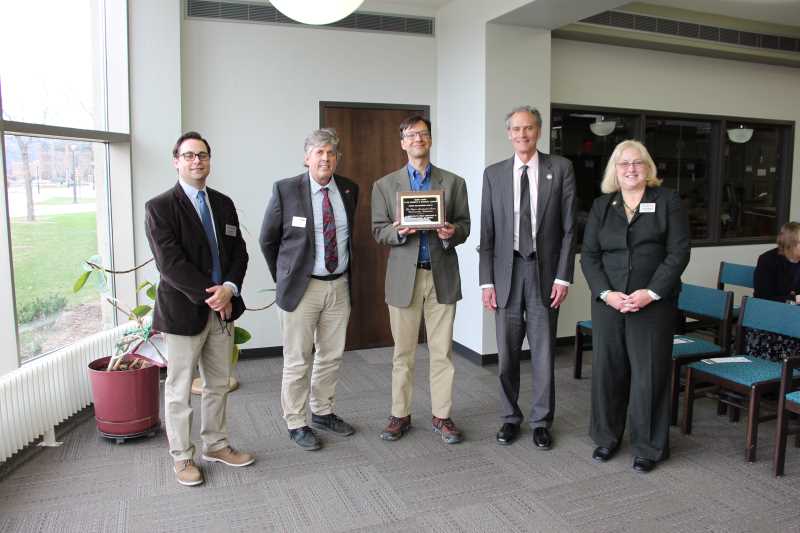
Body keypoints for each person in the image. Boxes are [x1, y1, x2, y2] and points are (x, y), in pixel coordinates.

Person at [145, 131, 254, 487]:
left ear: (209, 160)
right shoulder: (160, 207)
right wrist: (213, 294)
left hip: (222, 311)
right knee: (178, 390)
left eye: (202, 155)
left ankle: (216, 445)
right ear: (176, 161)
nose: (197, 161)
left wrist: (230, 289)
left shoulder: (223, 203)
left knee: (218, 384)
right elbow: (170, 264)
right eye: (189, 155)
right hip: (183, 312)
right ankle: (182, 458)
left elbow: (240, 252)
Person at [580, 139, 690, 473]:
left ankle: (649, 446)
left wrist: (651, 292)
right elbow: (590, 255)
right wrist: (606, 293)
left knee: (649, 375)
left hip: (653, 305)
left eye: (637, 162)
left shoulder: (667, 200)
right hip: (609, 303)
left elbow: (678, 252)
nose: (631, 168)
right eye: (624, 163)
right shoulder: (602, 205)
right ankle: (607, 437)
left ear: (648, 167)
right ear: (615, 169)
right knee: (609, 371)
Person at [479, 105, 577, 450]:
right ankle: (509, 418)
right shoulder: (493, 174)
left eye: (529, 128)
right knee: (506, 354)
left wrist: (564, 277)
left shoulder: (561, 169)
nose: (523, 134)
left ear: (539, 131)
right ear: (508, 134)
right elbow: (487, 232)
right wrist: (486, 281)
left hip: (544, 273)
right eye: (516, 129)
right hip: (506, 274)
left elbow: (569, 229)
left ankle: (541, 421)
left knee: (544, 352)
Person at [371, 115, 471, 444]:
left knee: (442, 352)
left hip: (441, 275)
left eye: (423, 134)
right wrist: (397, 231)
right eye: (411, 135)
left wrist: (451, 232)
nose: (418, 139)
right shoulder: (385, 186)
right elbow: (378, 230)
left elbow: (465, 227)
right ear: (402, 142)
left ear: (430, 140)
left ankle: (442, 416)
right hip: (404, 279)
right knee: (403, 353)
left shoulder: (453, 183)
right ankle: (400, 414)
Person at [259, 128, 359, 451]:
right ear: (307, 158)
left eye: (331, 153)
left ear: (337, 158)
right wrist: (287, 275)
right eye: (319, 152)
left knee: (330, 355)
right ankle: (296, 422)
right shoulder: (286, 190)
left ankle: (323, 411)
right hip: (302, 289)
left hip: (339, 285)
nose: (325, 158)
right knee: (298, 359)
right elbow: (267, 239)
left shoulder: (348, 190)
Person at [746, 221, 800, 361]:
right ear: (790, 244)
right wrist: (793, 299)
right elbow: (763, 297)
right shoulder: (768, 260)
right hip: (769, 315)